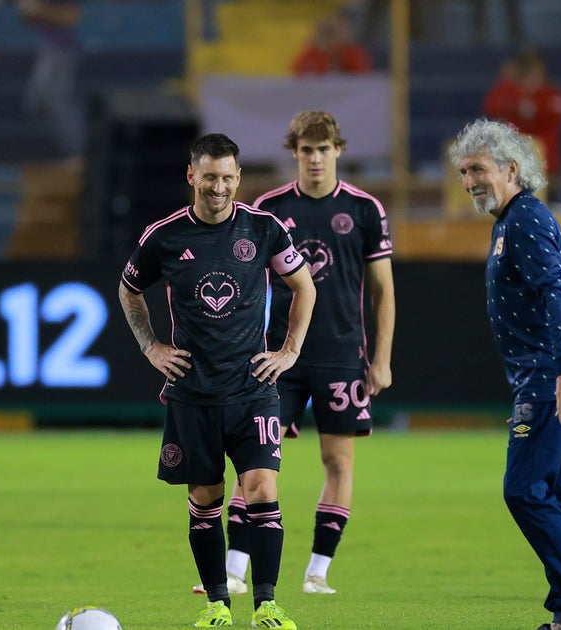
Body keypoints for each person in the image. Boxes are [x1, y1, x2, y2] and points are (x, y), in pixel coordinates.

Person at [118, 133, 315, 629]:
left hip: (253, 389)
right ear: (192, 176)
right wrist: (150, 347)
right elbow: (129, 290)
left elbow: (303, 286)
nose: (220, 187)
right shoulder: (163, 237)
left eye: (228, 177)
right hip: (194, 392)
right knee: (205, 500)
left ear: (238, 178)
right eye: (210, 177)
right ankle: (217, 607)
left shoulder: (264, 229)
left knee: (262, 489)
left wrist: (289, 352)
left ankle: (267, 604)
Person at [195, 111, 395, 597]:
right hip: (277, 357)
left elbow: (383, 290)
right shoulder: (269, 207)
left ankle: (318, 571)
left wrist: (382, 358)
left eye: (323, 148)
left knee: (338, 461)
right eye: (306, 149)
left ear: (338, 151)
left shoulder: (366, 209)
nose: (315, 158)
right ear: (295, 154)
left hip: (343, 354)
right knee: (254, 461)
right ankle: (237, 568)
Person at [447, 119, 561, 630]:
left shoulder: (524, 220)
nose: (468, 181)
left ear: (511, 167)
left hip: (550, 377)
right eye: (462, 172)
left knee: (524, 491)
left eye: (477, 169)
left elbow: (557, 293)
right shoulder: (510, 221)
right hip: (544, 375)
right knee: (549, 491)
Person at [482, 49, 561, 202]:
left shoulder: (550, 94)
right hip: (514, 169)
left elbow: (560, 109)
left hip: (547, 166)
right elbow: (491, 106)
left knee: (547, 210)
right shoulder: (509, 93)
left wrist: (532, 104)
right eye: (529, 72)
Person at [19, 0, 84, 161]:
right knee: (35, 102)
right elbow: (27, 20)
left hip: (62, 50)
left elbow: (72, 16)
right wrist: (32, 11)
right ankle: (66, 149)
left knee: (56, 100)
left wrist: (41, 10)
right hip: (49, 50)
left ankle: (79, 150)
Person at [291, 11, 372, 76]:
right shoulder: (310, 56)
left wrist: (340, 57)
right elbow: (299, 77)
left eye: (334, 32)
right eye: (326, 32)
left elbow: (363, 77)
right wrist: (321, 54)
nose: (331, 38)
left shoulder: (354, 53)